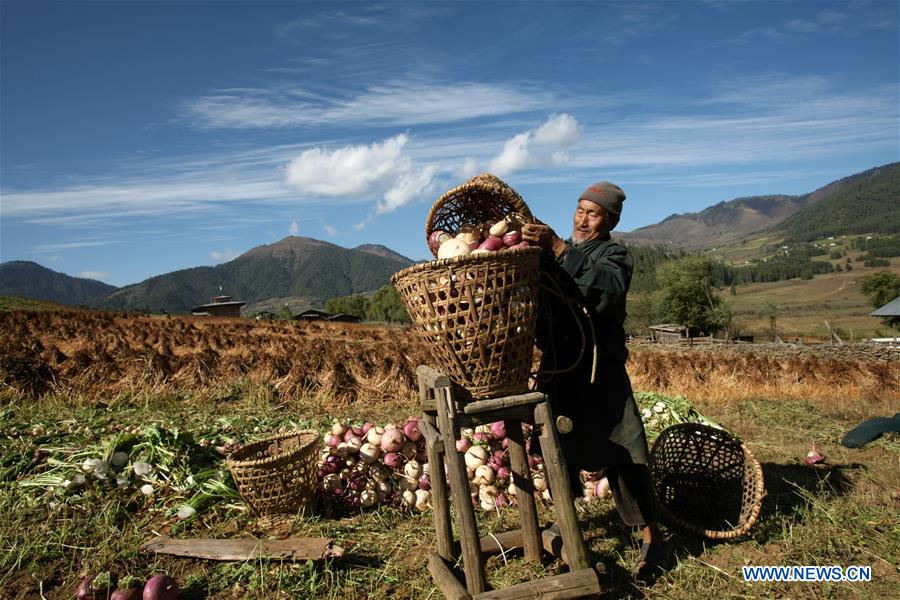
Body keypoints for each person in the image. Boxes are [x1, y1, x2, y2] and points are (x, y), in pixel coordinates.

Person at [521, 181, 667, 581]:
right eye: (580, 210)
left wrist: (557, 249)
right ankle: (567, 526)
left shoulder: (613, 255)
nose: (583, 219)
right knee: (557, 449)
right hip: (559, 366)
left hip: (600, 368)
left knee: (624, 451)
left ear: (610, 220)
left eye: (593, 213)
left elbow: (605, 290)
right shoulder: (554, 254)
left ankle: (651, 538)